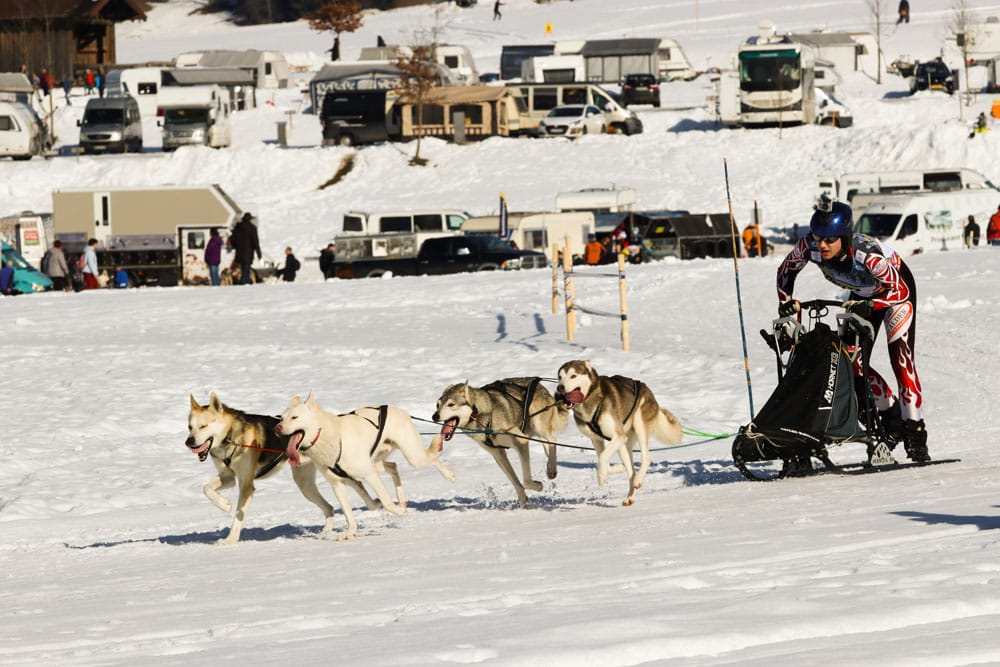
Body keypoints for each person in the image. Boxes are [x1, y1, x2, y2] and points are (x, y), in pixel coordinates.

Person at [776, 199, 929, 462]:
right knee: (852, 363)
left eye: (830, 239)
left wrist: (870, 303)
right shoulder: (808, 247)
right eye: (818, 237)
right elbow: (785, 272)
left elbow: (899, 290)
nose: (822, 245)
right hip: (861, 296)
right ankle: (891, 417)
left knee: (901, 361)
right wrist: (786, 303)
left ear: (844, 237)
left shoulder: (866, 255)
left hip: (894, 295)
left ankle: (915, 433)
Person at [229, 212, 261, 285]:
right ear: (250, 220)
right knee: (246, 269)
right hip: (248, 253)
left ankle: (245, 281)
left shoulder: (237, 227)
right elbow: (255, 242)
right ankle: (245, 282)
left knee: (244, 268)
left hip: (239, 253)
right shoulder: (252, 228)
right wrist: (259, 254)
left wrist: (235, 246)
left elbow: (232, 239)